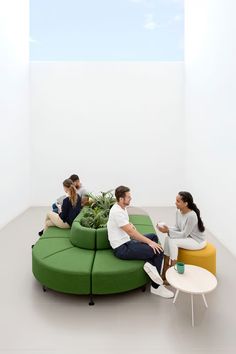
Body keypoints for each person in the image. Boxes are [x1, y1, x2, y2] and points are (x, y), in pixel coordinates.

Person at [107, 186, 174, 298]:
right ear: (121, 199)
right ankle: (156, 287)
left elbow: (127, 227)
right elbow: (132, 233)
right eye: (128, 197)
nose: (131, 198)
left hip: (127, 242)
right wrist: (149, 243)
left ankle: (150, 264)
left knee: (153, 237)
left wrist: (131, 227)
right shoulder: (116, 212)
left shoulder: (122, 208)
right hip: (122, 248)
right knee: (158, 250)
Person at [157, 191, 207, 282]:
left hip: (197, 241)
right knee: (168, 238)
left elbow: (184, 234)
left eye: (178, 201)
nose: (175, 202)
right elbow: (177, 228)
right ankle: (164, 271)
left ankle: (172, 275)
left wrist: (168, 231)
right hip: (187, 237)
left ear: (185, 203)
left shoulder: (192, 216)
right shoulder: (178, 211)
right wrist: (166, 228)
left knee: (173, 241)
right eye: (176, 200)